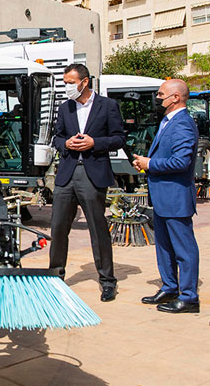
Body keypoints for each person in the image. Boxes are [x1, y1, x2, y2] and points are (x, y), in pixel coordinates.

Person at [50, 63, 125, 301]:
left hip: (93, 173)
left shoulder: (108, 106)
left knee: (97, 228)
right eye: (65, 83)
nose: (67, 87)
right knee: (59, 227)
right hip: (67, 173)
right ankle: (55, 277)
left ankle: (107, 281)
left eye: (70, 83)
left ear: (84, 82)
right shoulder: (65, 108)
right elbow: (57, 137)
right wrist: (66, 144)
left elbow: (119, 138)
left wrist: (95, 143)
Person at [133, 79, 200, 314]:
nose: (157, 98)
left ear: (176, 98)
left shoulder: (182, 123)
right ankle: (170, 286)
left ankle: (189, 296)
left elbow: (181, 161)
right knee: (163, 246)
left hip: (175, 197)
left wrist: (150, 163)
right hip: (162, 197)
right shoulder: (167, 121)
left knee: (183, 248)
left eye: (161, 94)